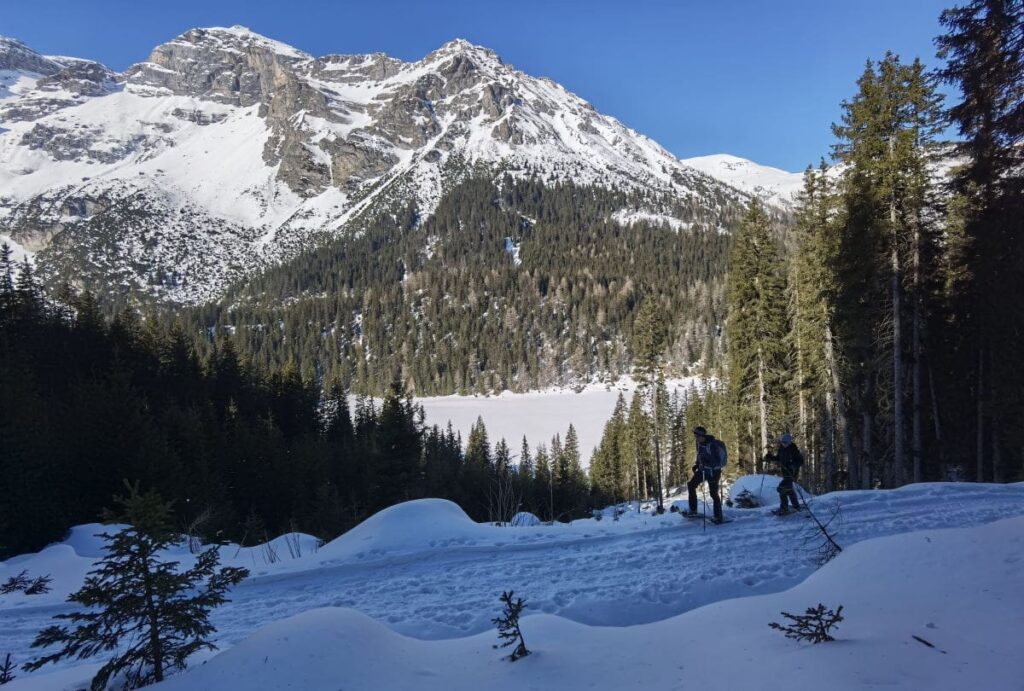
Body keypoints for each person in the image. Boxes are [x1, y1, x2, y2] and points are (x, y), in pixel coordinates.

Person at [684, 426, 725, 523]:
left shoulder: (712, 445)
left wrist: (706, 463)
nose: (696, 438)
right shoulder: (698, 443)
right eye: (695, 436)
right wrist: (697, 465)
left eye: (697, 436)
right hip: (703, 470)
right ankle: (693, 510)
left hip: (713, 472)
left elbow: (717, 462)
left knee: (713, 494)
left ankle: (718, 517)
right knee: (691, 485)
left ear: (702, 435)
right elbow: (700, 455)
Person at [767, 432, 804, 514]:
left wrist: (793, 465)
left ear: (789, 442)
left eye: (785, 442)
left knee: (781, 489)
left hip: (792, 473)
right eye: (782, 442)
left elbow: (800, 461)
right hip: (785, 472)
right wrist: (770, 457)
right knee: (789, 490)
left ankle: (784, 508)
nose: (784, 444)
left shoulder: (794, 449)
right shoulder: (782, 448)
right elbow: (778, 458)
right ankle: (796, 506)